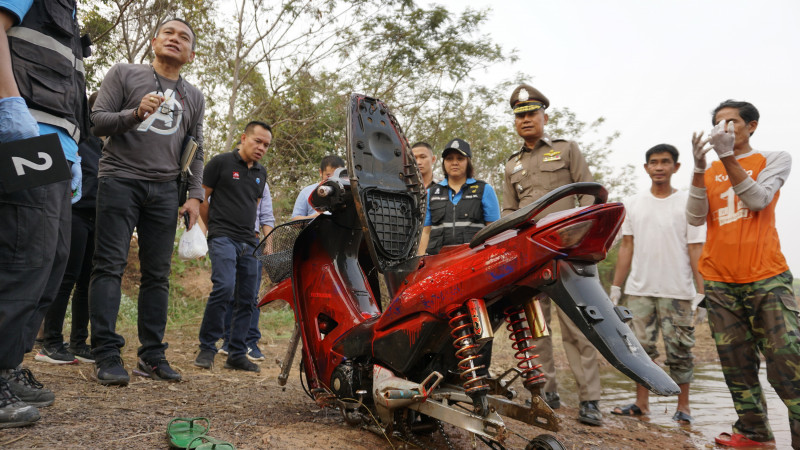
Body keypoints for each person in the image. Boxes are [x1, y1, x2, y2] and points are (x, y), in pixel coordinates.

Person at [89, 18, 205, 386]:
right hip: (119, 179)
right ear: (154, 41)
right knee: (109, 266)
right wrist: (135, 113)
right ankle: (106, 353)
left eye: (184, 37)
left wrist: (195, 196)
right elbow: (97, 121)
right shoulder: (124, 73)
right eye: (168, 33)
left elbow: (196, 149)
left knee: (158, 275)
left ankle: (152, 356)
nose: (175, 39)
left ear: (190, 53)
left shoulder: (194, 96)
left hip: (166, 190)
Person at [686, 100, 799, 449]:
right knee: (736, 365)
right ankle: (754, 434)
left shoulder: (774, 158)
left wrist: (728, 159)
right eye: (719, 124)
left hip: (767, 276)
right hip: (720, 281)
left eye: (732, 122)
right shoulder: (709, 171)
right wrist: (697, 168)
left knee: (787, 361)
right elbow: (693, 218)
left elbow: (758, 200)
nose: (725, 129)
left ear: (751, 126)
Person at [0, 0, 89, 427]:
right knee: (23, 258)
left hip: (55, 149)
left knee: (51, 262)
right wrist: (8, 105)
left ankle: (9, 365)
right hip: (25, 134)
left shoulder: (68, 11)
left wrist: (72, 155)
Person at [502, 83, 603, 426]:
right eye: (520, 116)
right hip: (530, 255)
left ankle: (590, 400)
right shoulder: (511, 164)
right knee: (536, 326)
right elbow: (508, 211)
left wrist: (584, 242)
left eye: (531, 113)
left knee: (578, 327)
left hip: (568, 253)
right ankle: (546, 392)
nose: (526, 120)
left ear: (545, 116)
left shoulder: (566, 149)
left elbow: (589, 195)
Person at [608, 144, 705, 424]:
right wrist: (616, 287)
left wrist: (702, 293)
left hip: (679, 292)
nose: (659, 167)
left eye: (665, 162)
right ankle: (642, 403)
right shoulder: (633, 203)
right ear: (646, 168)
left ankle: (684, 406)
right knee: (639, 350)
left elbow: (696, 248)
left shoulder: (689, 203)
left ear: (676, 167)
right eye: (653, 162)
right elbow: (626, 246)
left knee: (681, 351)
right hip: (640, 290)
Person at [194, 121, 272, 373]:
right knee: (224, 287)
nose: (261, 147)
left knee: (248, 298)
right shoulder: (220, 163)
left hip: (249, 241)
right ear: (243, 138)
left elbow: (256, 208)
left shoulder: (261, 173)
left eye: (266, 145)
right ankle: (207, 347)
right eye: (257, 141)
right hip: (222, 238)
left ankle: (237, 353)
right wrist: (212, 228)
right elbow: (203, 198)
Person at [37, 92, 104, 366]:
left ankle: (78, 342)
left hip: (98, 219)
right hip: (74, 214)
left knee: (87, 282)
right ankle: (50, 342)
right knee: (66, 276)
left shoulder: (106, 147)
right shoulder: (75, 139)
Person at [218, 181, 275, 361]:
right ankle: (228, 342)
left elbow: (266, 216)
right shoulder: (224, 175)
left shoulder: (261, 182)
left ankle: (250, 342)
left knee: (250, 296)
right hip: (227, 240)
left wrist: (269, 244)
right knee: (229, 290)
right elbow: (211, 207)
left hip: (253, 241)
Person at [417, 138, 500, 255]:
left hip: (473, 260)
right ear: (444, 162)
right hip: (438, 261)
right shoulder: (431, 193)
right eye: (449, 158)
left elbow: (494, 230)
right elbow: (425, 232)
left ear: (468, 162)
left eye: (460, 158)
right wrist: (421, 263)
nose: (454, 162)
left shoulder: (485, 189)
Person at [290, 155, 345, 221]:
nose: (332, 179)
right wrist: (314, 217)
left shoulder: (347, 192)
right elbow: (295, 220)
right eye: (328, 175)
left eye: (336, 175)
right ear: (320, 172)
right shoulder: (306, 192)